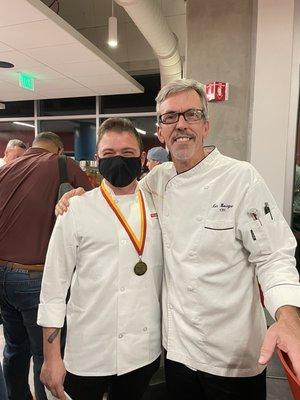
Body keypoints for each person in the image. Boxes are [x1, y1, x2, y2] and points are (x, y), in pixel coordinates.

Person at [56, 79, 300, 400]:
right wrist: (80, 197)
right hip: (177, 352)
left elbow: (273, 256)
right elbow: (118, 203)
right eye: (170, 117)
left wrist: (288, 316)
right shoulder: (157, 180)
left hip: (231, 356)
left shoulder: (241, 178)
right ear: (161, 131)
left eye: (191, 115)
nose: (181, 124)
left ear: (206, 125)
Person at [38, 118, 163, 400]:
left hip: (142, 349)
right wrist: (51, 357)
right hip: (88, 350)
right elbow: (54, 288)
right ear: (97, 158)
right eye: (108, 154)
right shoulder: (77, 209)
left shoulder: (159, 202)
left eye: (128, 154)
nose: (118, 160)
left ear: (142, 158)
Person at [0, 132, 92, 400]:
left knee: (15, 348)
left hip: (2, 276)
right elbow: (98, 207)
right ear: (60, 149)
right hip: (34, 277)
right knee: (47, 358)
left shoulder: (7, 169)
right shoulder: (63, 165)